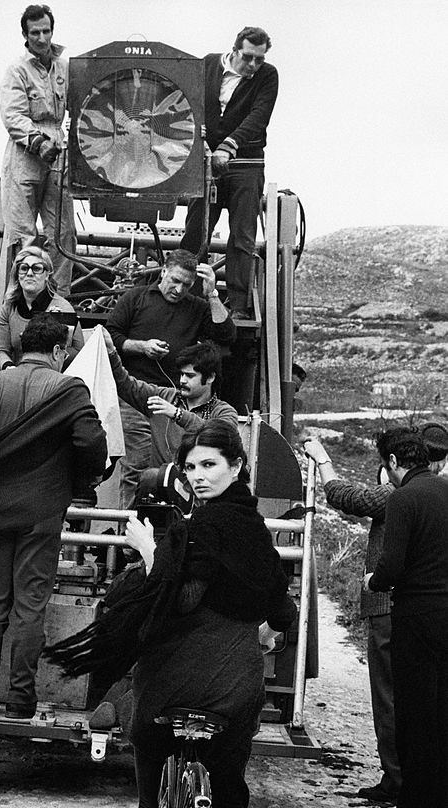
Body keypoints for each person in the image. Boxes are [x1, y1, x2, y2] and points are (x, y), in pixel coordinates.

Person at [47, 422, 296, 808]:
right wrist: (263, 632)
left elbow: (176, 598)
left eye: (209, 465)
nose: (198, 476)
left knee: (143, 719)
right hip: (235, 686)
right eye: (191, 467)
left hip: (178, 680)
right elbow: (282, 610)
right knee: (228, 804)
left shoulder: (198, 528)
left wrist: (146, 550)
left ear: (236, 467)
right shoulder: (256, 533)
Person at [0, 314, 107, 720]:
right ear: (58, 351)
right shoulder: (68, 388)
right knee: (30, 608)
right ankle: (21, 699)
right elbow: (91, 441)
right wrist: (87, 477)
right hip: (42, 514)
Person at [364, 428, 448, 808]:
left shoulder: (403, 498)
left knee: (414, 719)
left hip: (416, 616)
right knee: (443, 717)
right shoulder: (445, 491)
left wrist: (373, 581)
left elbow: (392, 566)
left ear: (394, 462)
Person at [304, 436, 400, 804]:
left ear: (394, 462)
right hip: (418, 611)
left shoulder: (396, 494)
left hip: (387, 606)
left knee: (388, 697)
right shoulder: (433, 492)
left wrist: (322, 459)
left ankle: (396, 779)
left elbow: (346, 497)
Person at [106, 249, 236, 507]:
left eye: (186, 285)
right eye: (175, 281)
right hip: (137, 397)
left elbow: (227, 335)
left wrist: (212, 293)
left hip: (174, 397)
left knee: (176, 469)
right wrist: (142, 346)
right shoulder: (136, 297)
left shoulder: (197, 307)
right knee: (137, 466)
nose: (179, 289)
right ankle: (127, 526)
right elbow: (112, 335)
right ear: (163, 271)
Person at [181, 27, 278, 315]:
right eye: (248, 57)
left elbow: (258, 117)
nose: (253, 65)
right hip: (206, 163)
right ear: (234, 50)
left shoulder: (268, 75)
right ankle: (188, 300)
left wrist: (229, 145)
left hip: (246, 164)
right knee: (196, 232)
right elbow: (189, 103)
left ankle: (238, 307)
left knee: (242, 237)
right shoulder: (208, 64)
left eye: (259, 59)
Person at [104, 336, 239, 502]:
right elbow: (126, 385)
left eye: (190, 376)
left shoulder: (224, 411)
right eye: (181, 374)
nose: (182, 380)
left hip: (202, 495)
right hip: (159, 489)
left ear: (210, 377)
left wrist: (178, 414)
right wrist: (111, 352)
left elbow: (219, 435)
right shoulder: (165, 396)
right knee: (151, 477)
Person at [0, 4, 76, 294]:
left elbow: (81, 105)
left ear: (52, 31)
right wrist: (37, 142)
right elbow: (12, 116)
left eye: (46, 31)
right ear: (25, 35)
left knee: (63, 232)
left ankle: (59, 298)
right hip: (25, 156)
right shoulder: (17, 70)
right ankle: (22, 300)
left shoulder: (65, 68)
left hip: (59, 152)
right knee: (24, 234)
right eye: (35, 33)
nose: (42, 38)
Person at [0, 246, 83, 370]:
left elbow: (76, 352)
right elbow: (1, 351)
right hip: (17, 373)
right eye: (24, 268)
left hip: (52, 376)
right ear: (17, 274)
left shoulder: (62, 308)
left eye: (36, 269)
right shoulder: (9, 307)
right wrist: (8, 366)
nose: (29, 273)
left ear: (47, 275)